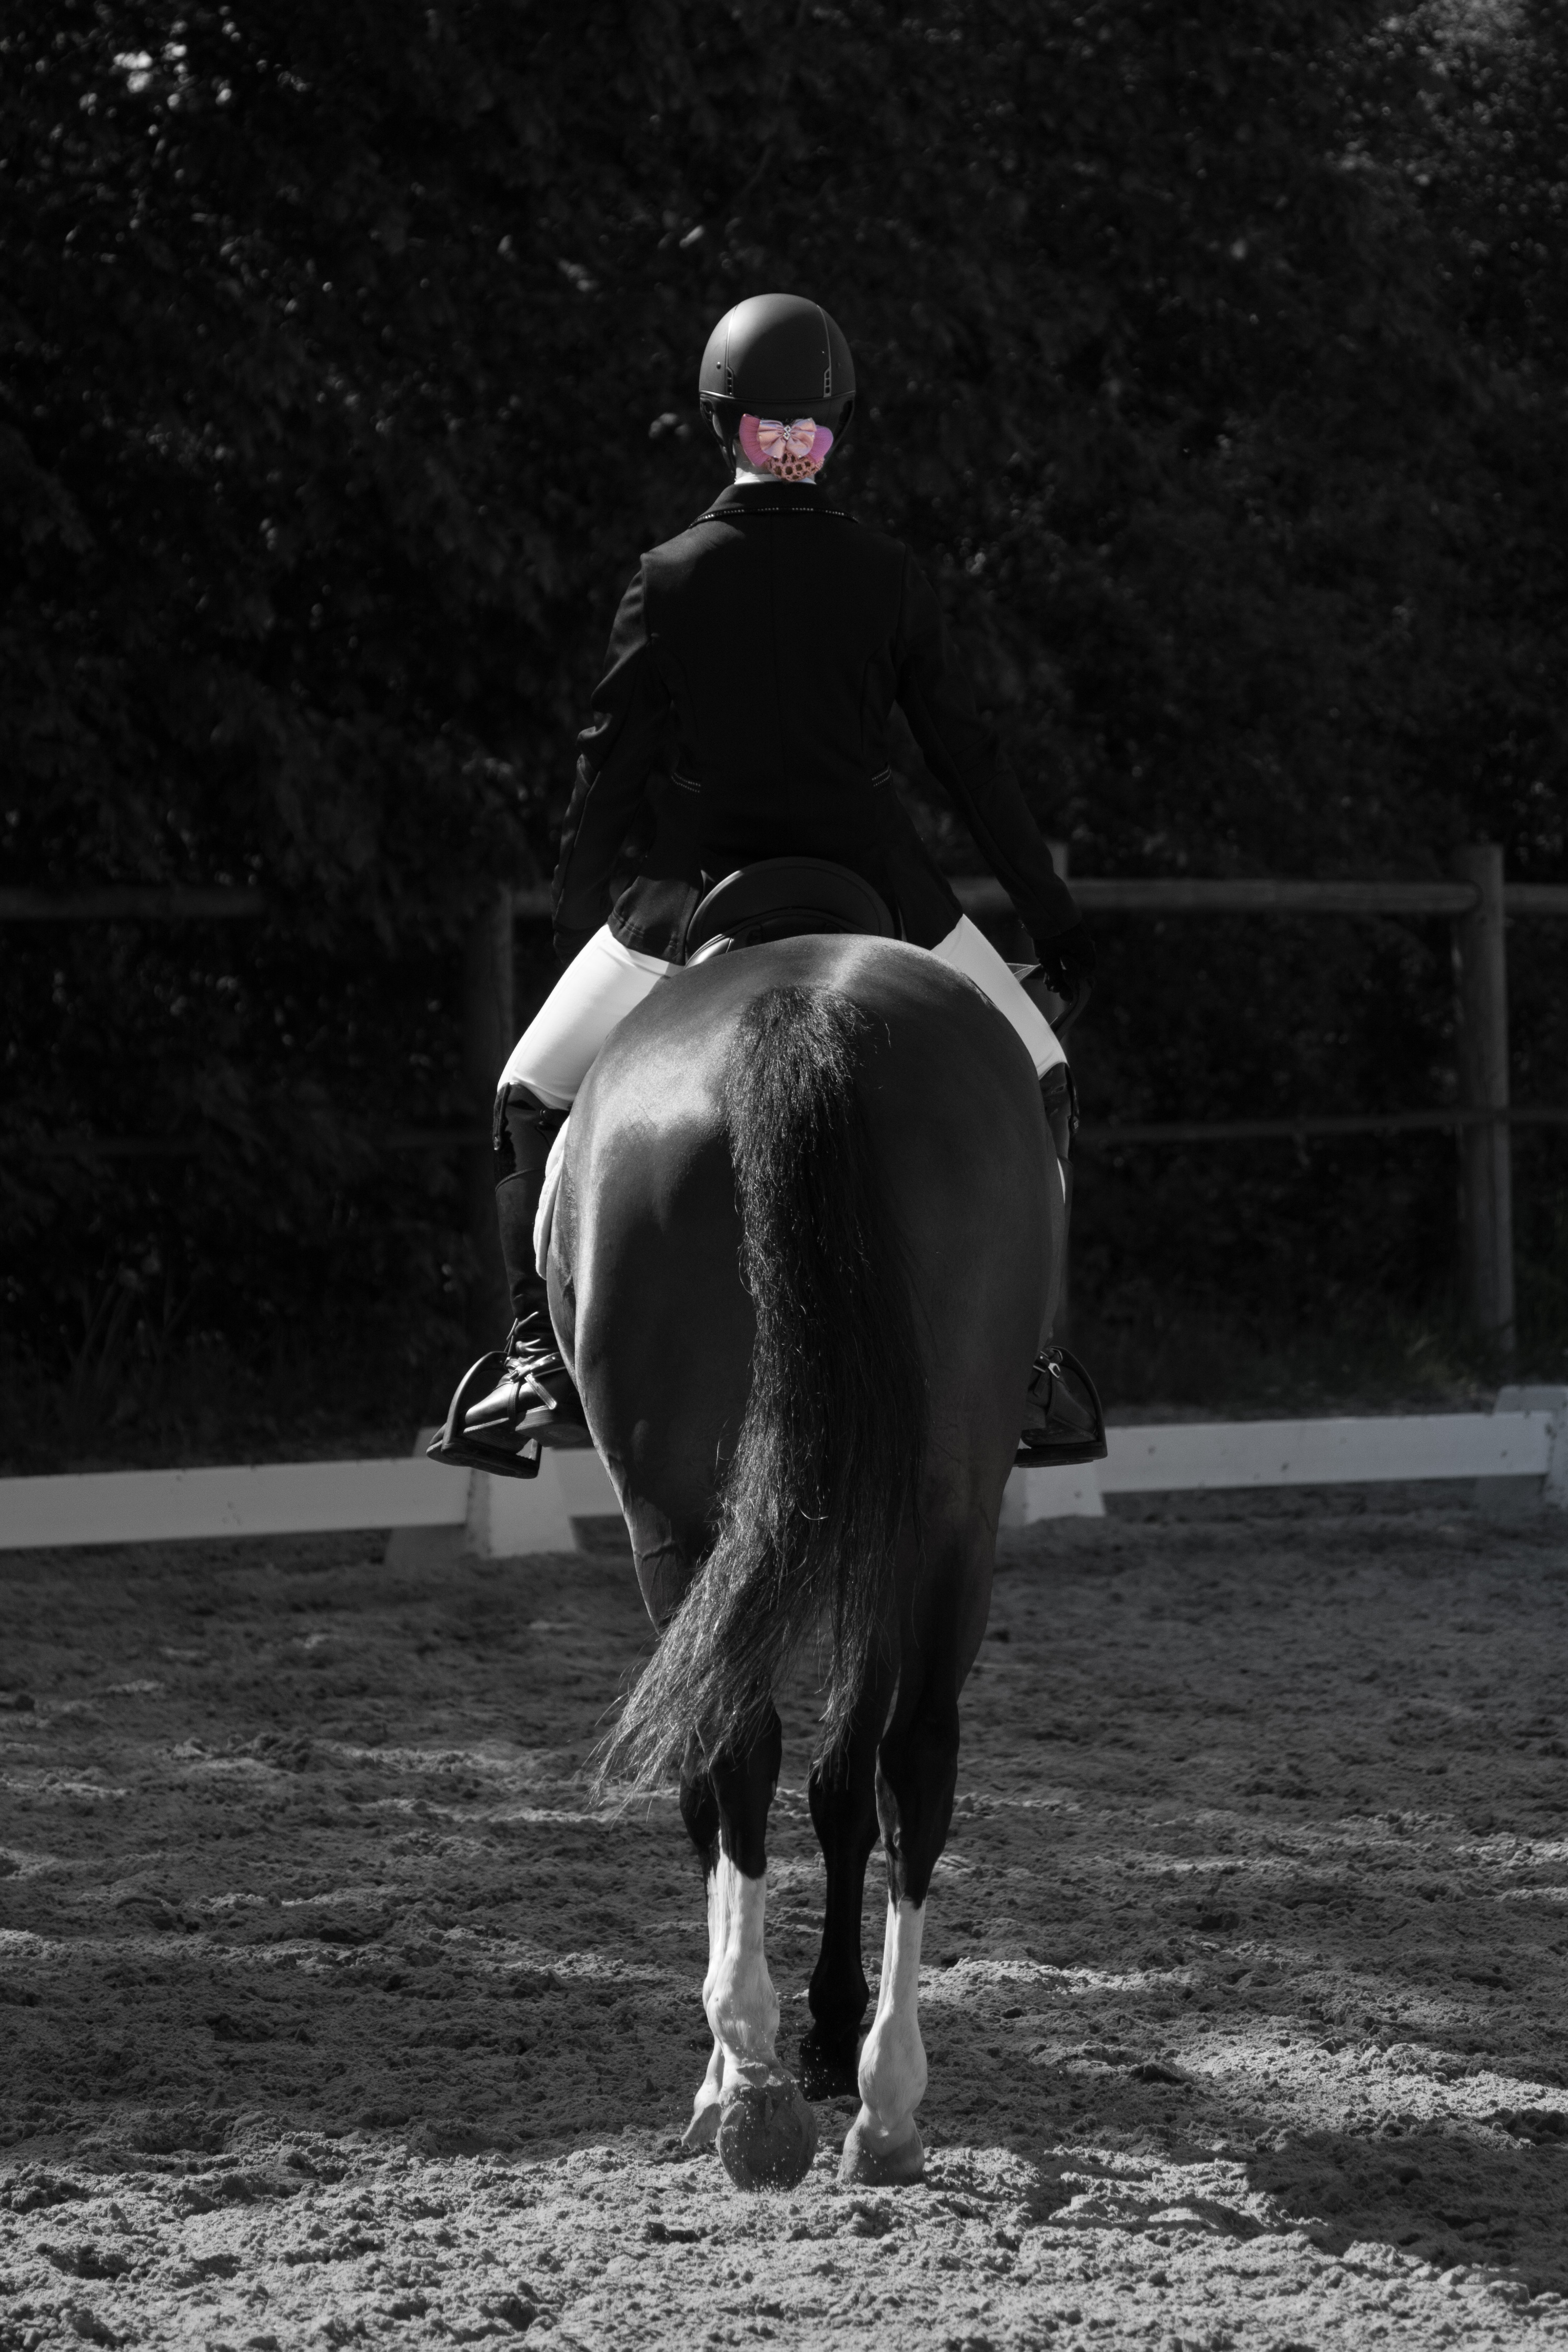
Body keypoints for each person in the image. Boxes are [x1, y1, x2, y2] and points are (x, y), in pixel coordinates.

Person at [435, 292, 1105, 1476]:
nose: (793, 443)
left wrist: (577, 925)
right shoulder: (885, 574)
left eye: (806, 427)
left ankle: (536, 1363)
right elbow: (968, 759)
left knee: (529, 1092)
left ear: (729, 423)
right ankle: (1035, 1369)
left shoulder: (669, 575)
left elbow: (607, 773)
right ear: (751, 429)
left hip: (690, 889)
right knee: (1040, 1076)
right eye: (778, 427)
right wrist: (1052, 920)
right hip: (877, 883)